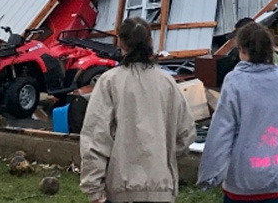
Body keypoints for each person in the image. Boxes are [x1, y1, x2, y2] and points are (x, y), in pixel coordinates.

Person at [80, 16, 195, 203]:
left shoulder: (109, 81)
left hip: (121, 190)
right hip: (160, 187)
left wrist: (94, 189)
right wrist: (162, 157)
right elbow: (186, 133)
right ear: (150, 40)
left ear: (120, 41)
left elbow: (96, 137)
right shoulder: (167, 82)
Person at [198, 22, 278, 203]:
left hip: (244, 181)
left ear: (242, 49)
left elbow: (222, 130)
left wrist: (210, 174)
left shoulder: (236, 81)